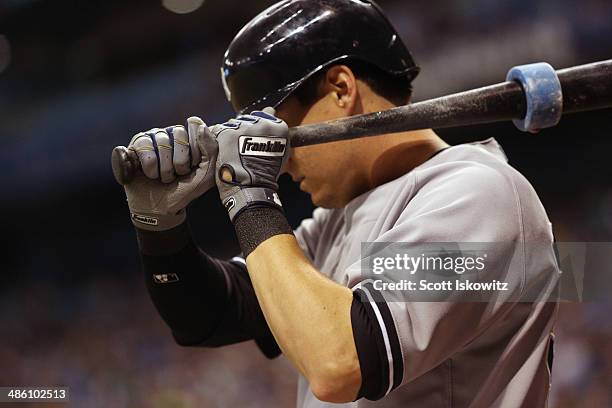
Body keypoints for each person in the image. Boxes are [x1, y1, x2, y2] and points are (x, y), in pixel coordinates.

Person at [116, 0, 559, 406]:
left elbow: (340, 365)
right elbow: (209, 316)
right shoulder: (338, 218)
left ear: (341, 89)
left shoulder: (477, 194)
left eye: (280, 131)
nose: (282, 163)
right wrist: (159, 226)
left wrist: (251, 198)